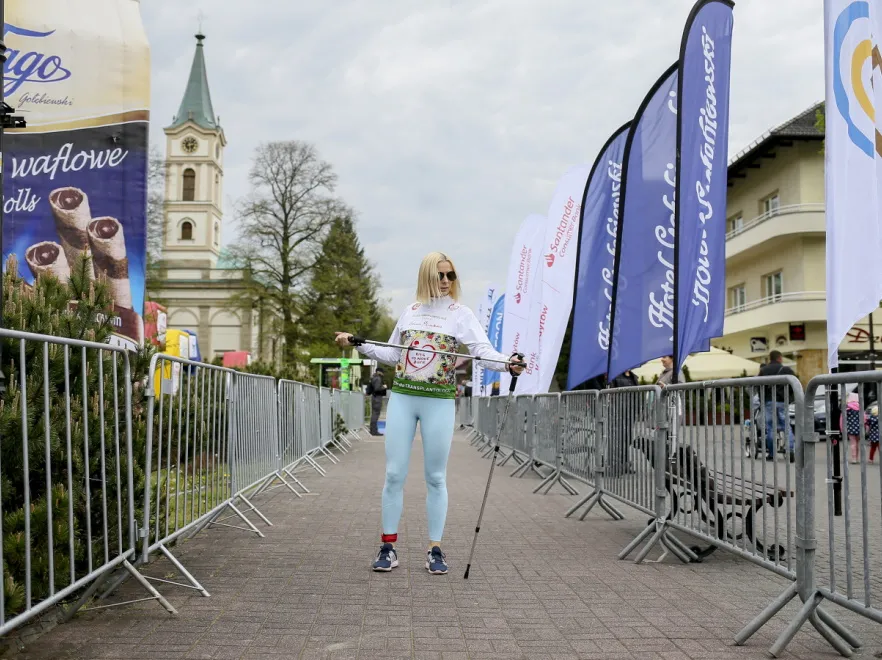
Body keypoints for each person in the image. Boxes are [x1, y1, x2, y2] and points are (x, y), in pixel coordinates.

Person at [335, 252, 525, 575]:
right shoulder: (410, 312)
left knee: (435, 477)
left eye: (451, 275)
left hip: (438, 401)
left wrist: (508, 362)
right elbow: (390, 352)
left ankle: (435, 549)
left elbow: (482, 352)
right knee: (394, 474)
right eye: (441, 275)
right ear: (427, 276)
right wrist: (358, 343)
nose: (447, 281)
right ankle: (388, 547)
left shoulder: (459, 314)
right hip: (404, 399)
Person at [758, 350, 795, 461]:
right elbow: (795, 384)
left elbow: (759, 387)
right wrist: (790, 397)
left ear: (770, 358)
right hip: (783, 401)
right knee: (786, 426)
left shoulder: (764, 370)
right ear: (779, 358)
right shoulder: (786, 370)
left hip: (769, 402)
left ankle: (772, 454)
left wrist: (762, 400)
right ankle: (790, 450)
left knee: (771, 428)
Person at [368, 367, 387, 436]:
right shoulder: (378, 378)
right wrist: (384, 387)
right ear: (379, 372)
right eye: (382, 372)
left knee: (374, 414)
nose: (383, 373)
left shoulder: (374, 377)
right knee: (376, 414)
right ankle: (374, 431)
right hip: (377, 398)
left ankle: (372, 430)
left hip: (375, 397)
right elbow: (377, 388)